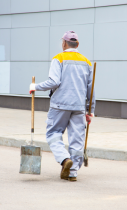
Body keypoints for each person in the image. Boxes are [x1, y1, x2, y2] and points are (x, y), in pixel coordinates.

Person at [29, 31, 95, 182]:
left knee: (53, 134)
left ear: (64, 44)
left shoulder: (58, 58)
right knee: (77, 139)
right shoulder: (87, 62)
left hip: (60, 105)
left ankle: (65, 159)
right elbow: (91, 89)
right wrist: (90, 111)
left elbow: (54, 82)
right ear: (77, 44)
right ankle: (72, 173)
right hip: (79, 106)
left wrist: (35, 86)